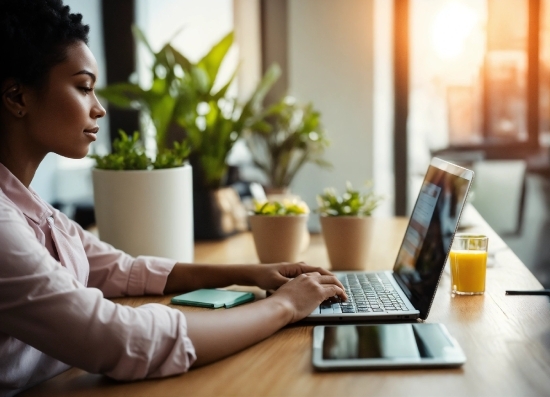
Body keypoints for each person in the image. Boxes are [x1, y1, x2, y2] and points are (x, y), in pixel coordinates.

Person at [0, 1, 347, 395]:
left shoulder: (29, 205)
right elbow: (119, 339)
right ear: (17, 97)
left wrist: (249, 273)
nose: (98, 108)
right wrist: (284, 307)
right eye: (83, 88)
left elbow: (121, 270)